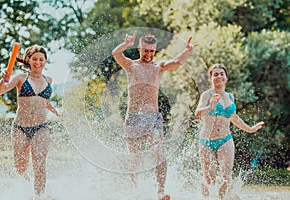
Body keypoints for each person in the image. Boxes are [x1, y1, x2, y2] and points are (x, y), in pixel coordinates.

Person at [112, 31, 197, 200]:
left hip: (153, 117)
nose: (149, 54)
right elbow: (116, 53)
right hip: (134, 118)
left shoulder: (158, 67)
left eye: (152, 51)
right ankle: (135, 190)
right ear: (139, 48)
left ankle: (161, 190)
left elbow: (176, 62)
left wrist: (187, 50)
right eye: (146, 50)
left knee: (160, 154)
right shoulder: (131, 66)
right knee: (134, 160)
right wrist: (125, 45)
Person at [0, 45, 62, 200]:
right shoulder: (20, 78)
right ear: (28, 60)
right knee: (20, 166)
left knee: (39, 163)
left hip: (41, 127)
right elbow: (0, 91)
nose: (37, 62)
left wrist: (56, 112)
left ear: (45, 61)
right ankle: (25, 190)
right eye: (34, 59)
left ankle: (39, 196)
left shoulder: (49, 80)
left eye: (41, 59)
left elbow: (44, 102)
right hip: (20, 128)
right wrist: (4, 78)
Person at [195, 63, 264, 199]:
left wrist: (250, 129)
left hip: (225, 140)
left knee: (226, 178)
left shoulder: (230, 97)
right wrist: (210, 106)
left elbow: (234, 117)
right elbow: (197, 113)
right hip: (206, 141)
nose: (219, 76)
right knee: (210, 180)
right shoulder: (206, 95)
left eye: (222, 74)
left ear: (226, 77)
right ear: (211, 78)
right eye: (215, 74)